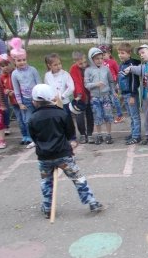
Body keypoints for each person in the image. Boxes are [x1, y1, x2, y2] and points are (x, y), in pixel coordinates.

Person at [28, 84, 103, 218]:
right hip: (63, 154)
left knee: (46, 181)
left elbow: (34, 137)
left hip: (44, 157)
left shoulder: (33, 118)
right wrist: (70, 142)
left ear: (34, 102)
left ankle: (47, 207)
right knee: (77, 178)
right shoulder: (61, 113)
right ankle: (92, 202)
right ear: (52, 98)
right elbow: (69, 133)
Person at [10, 37, 40, 149]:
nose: (22, 62)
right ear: (14, 61)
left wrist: (39, 98)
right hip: (26, 100)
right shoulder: (14, 74)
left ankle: (43, 137)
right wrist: (20, 102)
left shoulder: (33, 70)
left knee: (39, 119)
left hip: (36, 99)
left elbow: (38, 84)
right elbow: (16, 89)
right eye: (19, 60)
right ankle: (33, 139)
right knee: (28, 121)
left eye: (23, 60)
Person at [84, 47, 115, 145]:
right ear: (91, 59)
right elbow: (86, 84)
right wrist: (95, 84)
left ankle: (109, 135)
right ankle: (99, 135)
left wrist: (113, 91)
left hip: (106, 96)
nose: (99, 60)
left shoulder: (106, 69)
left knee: (108, 115)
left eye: (101, 58)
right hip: (95, 98)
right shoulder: (88, 70)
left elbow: (111, 81)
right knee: (97, 116)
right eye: (97, 58)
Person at [0, 54, 28, 145]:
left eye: (7, 65)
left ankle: (30, 135)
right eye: (2, 66)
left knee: (25, 118)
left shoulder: (16, 73)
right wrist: (5, 91)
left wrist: (15, 91)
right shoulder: (2, 77)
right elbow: (2, 87)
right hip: (13, 102)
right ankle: (24, 135)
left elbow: (23, 85)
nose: (5, 67)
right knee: (19, 119)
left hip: (22, 100)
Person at [116, 42, 142, 145]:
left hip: (131, 94)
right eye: (119, 53)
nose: (120, 55)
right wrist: (119, 86)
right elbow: (121, 78)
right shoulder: (122, 64)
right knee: (131, 115)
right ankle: (133, 133)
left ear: (129, 53)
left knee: (135, 116)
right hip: (125, 93)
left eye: (122, 53)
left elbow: (134, 82)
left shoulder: (132, 65)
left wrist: (132, 95)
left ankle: (136, 136)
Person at [69, 51, 94, 144]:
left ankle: (90, 134)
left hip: (90, 94)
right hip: (79, 97)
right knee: (79, 116)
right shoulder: (73, 69)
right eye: (80, 63)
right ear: (75, 61)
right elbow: (77, 82)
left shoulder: (90, 67)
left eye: (84, 62)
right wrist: (79, 94)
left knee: (90, 115)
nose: (83, 65)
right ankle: (83, 134)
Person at [98, 44, 124, 123]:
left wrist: (118, 83)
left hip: (113, 84)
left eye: (104, 54)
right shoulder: (100, 63)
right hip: (104, 85)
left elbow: (119, 72)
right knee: (106, 101)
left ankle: (120, 116)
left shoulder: (112, 62)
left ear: (109, 54)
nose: (102, 57)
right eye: (101, 55)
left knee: (115, 100)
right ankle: (107, 116)